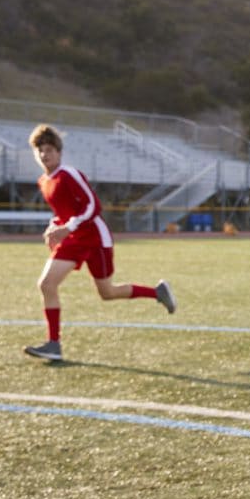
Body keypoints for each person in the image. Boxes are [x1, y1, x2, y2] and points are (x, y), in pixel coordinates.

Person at [24, 124, 176, 362]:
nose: (45, 155)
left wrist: (68, 226)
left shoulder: (69, 174)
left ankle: (157, 292)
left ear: (59, 152)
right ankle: (54, 344)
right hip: (74, 238)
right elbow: (64, 211)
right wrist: (54, 225)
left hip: (95, 238)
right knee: (46, 284)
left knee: (107, 292)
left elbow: (93, 206)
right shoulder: (43, 181)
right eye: (40, 150)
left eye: (50, 149)